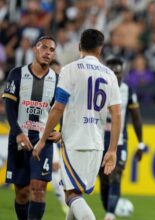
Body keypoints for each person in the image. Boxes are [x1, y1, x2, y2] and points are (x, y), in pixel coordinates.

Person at [32, 29, 122, 220]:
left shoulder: (69, 70)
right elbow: (116, 115)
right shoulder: (110, 75)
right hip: (97, 145)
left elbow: (58, 108)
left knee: (71, 195)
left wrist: (42, 139)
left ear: (79, 46)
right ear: (101, 49)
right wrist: (112, 150)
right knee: (76, 193)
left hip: (74, 144)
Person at [2, 36, 60, 220]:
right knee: (22, 193)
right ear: (35, 49)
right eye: (44, 48)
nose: (47, 52)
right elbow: (9, 108)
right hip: (19, 140)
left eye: (51, 50)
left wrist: (61, 132)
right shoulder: (17, 74)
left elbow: (64, 110)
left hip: (43, 142)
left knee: (38, 189)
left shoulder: (58, 80)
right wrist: (18, 133)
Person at [99, 57, 144, 220]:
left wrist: (141, 144)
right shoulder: (98, 88)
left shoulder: (128, 91)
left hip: (119, 142)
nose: (115, 76)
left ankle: (110, 214)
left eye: (118, 73)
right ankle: (109, 209)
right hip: (99, 140)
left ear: (122, 73)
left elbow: (136, 118)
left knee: (116, 173)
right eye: (112, 72)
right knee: (103, 179)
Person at [49, 59, 68, 214]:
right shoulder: (44, 89)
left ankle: (65, 203)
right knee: (55, 169)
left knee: (58, 171)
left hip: (60, 135)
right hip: (44, 133)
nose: (57, 74)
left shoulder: (64, 90)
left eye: (58, 71)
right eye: (54, 71)